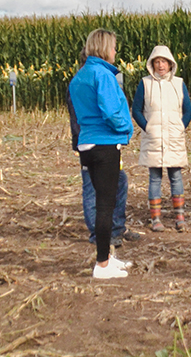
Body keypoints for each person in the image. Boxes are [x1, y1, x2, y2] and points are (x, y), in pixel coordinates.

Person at [69, 29, 134, 279]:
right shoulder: (103, 75)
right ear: (105, 47)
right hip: (105, 143)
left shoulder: (81, 75)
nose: (115, 51)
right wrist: (125, 128)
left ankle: (106, 256)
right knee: (106, 205)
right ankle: (102, 266)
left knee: (103, 200)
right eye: (114, 47)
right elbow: (110, 110)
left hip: (87, 142)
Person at [132, 45, 191, 232]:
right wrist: (147, 127)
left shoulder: (178, 83)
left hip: (174, 135)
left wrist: (181, 126)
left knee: (176, 176)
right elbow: (136, 109)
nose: (160, 65)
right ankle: (156, 219)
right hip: (154, 137)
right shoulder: (145, 83)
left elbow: (188, 109)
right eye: (157, 62)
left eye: (164, 62)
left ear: (170, 64)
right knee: (154, 177)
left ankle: (180, 217)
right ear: (152, 64)